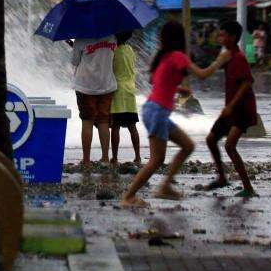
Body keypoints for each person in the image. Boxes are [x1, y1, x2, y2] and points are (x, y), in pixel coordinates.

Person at [121, 21, 225, 208]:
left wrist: (177, 89)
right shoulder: (178, 56)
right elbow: (202, 75)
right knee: (156, 160)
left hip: (152, 109)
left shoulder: (164, 56)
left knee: (187, 145)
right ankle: (128, 197)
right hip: (158, 112)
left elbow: (155, 81)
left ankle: (166, 185)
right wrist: (220, 60)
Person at [201, 20, 259, 197]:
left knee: (230, 146)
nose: (220, 37)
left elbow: (247, 83)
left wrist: (231, 106)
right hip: (230, 109)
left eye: (223, 35)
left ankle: (248, 188)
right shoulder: (227, 55)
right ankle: (221, 177)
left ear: (232, 37)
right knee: (211, 139)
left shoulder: (239, 57)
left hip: (241, 109)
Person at [72, 35, 118, 169]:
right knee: (104, 121)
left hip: (85, 86)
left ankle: (86, 160)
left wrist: (74, 46)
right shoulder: (112, 37)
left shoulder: (81, 38)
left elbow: (75, 61)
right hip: (107, 85)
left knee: (87, 121)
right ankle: (105, 158)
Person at [110, 30, 141, 166]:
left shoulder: (113, 51)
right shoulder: (130, 50)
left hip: (117, 90)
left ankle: (115, 158)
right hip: (130, 90)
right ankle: (138, 156)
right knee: (132, 126)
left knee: (115, 126)